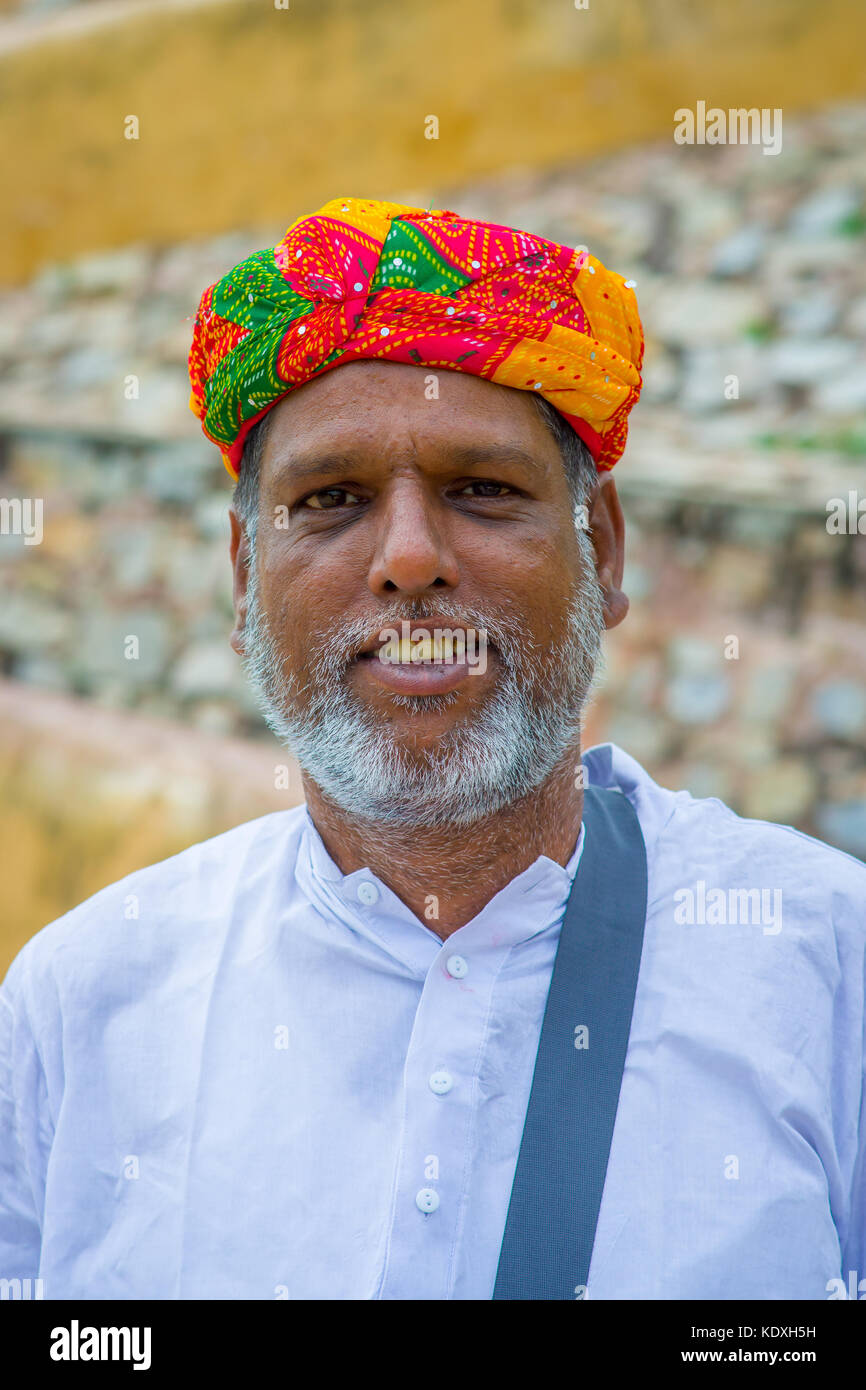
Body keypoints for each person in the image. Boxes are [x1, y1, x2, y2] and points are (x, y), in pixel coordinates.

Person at [1, 198, 863, 1301]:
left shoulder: (829, 971)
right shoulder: (79, 1007)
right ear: (241, 577)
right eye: (331, 500)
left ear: (598, 548)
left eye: (481, 490)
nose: (410, 557)